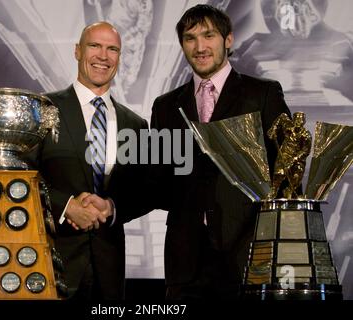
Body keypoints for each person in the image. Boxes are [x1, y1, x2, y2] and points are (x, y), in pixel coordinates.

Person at [147, 4, 292, 300]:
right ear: (182, 45)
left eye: (209, 35)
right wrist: (111, 203)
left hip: (250, 256)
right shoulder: (165, 106)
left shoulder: (263, 94)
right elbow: (157, 180)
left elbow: (288, 173)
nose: (200, 47)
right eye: (190, 38)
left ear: (228, 40)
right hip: (185, 263)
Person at [27, 21, 148, 300]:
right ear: (77, 51)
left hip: (109, 274)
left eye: (112, 49)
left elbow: (143, 191)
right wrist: (66, 206)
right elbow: (20, 176)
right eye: (95, 46)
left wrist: (111, 206)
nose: (103, 56)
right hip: (50, 264)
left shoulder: (136, 124)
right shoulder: (43, 109)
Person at [267, 112, 312, 199]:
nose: (299, 121)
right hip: (285, 153)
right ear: (293, 120)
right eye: (297, 119)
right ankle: (274, 191)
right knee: (279, 173)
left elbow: (306, 151)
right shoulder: (288, 126)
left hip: (298, 158)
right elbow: (282, 116)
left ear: (304, 121)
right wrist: (273, 128)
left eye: (301, 119)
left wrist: (294, 159)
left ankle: (290, 190)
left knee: (296, 176)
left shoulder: (306, 135)